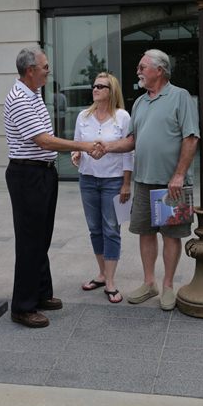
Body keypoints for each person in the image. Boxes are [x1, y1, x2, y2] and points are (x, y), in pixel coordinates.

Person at [4, 47, 99, 328]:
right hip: (27, 176)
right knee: (29, 241)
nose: (49, 70)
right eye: (45, 66)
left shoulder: (34, 94)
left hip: (42, 174)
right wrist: (82, 145)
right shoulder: (20, 98)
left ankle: (41, 293)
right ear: (30, 70)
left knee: (41, 237)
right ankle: (22, 307)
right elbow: (43, 141)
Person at [98, 49, 199, 311]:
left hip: (172, 183)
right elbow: (131, 140)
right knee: (145, 232)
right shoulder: (140, 103)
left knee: (171, 235)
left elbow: (191, 137)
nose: (138, 71)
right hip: (143, 180)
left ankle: (167, 286)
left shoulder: (180, 97)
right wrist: (106, 147)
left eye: (143, 67)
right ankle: (149, 282)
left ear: (160, 70)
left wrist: (178, 175)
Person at [72, 72, 133, 304]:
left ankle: (110, 280)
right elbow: (78, 145)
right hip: (87, 179)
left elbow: (130, 151)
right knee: (94, 228)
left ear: (111, 91)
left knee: (111, 229)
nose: (95, 89)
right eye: (94, 85)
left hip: (114, 181)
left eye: (101, 86)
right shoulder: (83, 116)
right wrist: (76, 155)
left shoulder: (122, 117)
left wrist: (126, 183)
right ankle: (101, 273)